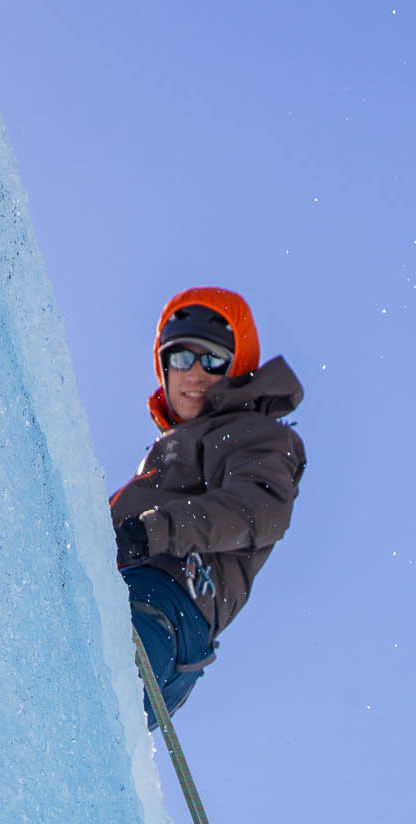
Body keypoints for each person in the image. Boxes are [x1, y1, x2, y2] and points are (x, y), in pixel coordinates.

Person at [110, 286, 305, 720]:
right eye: (181, 358)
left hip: (169, 603)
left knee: (96, 681)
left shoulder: (258, 435)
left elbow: (255, 509)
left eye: (212, 359)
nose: (195, 373)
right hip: (137, 596)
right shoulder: (168, 454)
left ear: (237, 367)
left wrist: (151, 531)